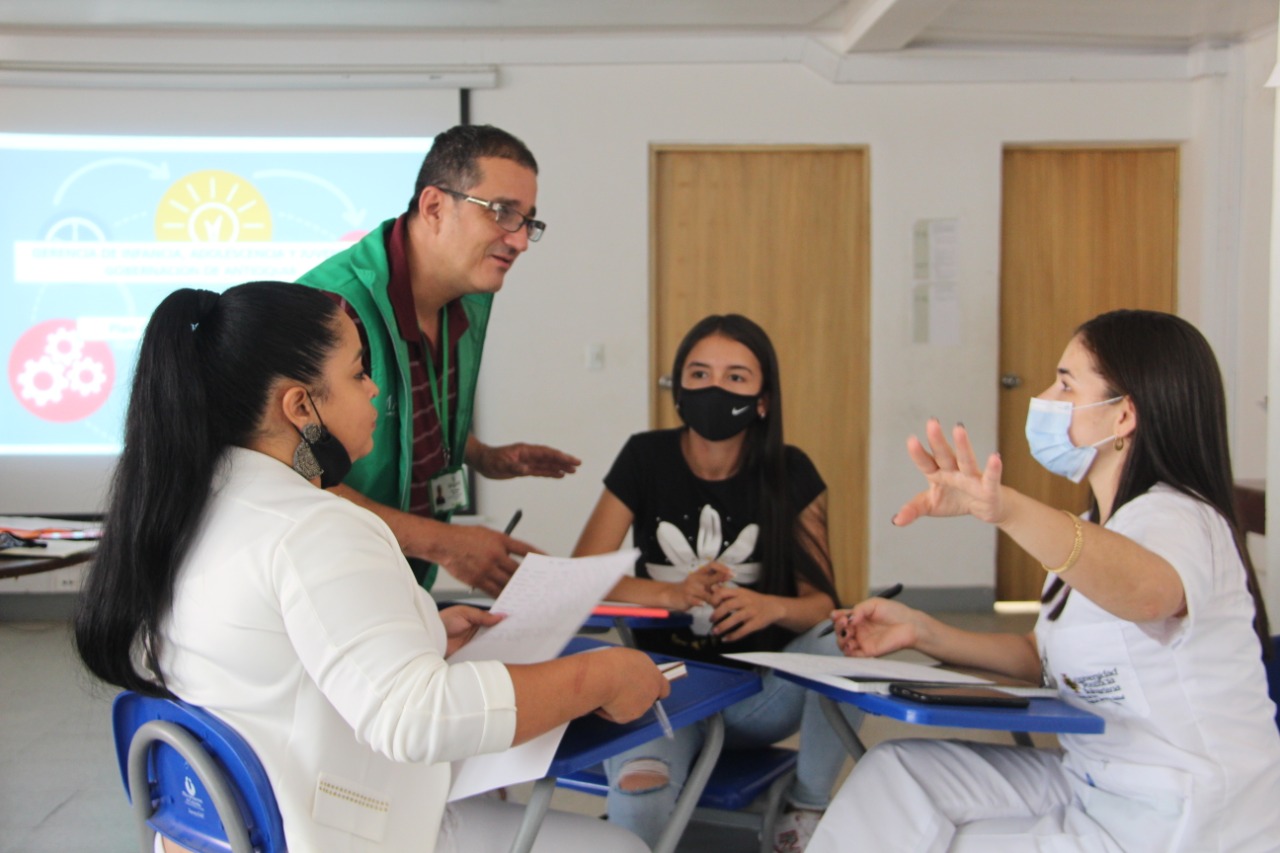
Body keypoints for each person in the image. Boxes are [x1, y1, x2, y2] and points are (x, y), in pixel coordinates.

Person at [74, 283, 668, 853]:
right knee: (621, 845)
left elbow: (280, 659)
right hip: (322, 832)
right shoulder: (315, 526)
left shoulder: (188, 506)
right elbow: (415, 718)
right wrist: (603, 676)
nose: (377, 391)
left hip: (223, 830)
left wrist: (424, 633)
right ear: (300, 405)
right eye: (358, 373)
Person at [813, 309, 1280, 852]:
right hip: (1090, 783)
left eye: (1065, 383)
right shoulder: (1090, 530)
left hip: (1180, 819)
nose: (1046, 397)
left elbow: (1151, 595)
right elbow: (1045, 658)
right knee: (897, 774)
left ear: (1123, 415)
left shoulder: (1182, 519)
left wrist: (1004, 509)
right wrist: (920, 633)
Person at [573, 314, 861, 853]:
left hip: (760, 696)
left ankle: (807, 809)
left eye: (736, 377)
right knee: (639, 794)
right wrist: (670, 593)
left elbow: (822, 604)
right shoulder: (644, 456)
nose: (715, 389)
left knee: (850, 638)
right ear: (678, 389)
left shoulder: (792, 471)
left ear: (763, 399)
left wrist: (770, 608)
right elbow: (584, 575)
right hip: (662, 692)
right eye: (699, 374)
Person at [298, 124, 580, 596]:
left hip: (401, 583)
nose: (520, 241)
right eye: (502, 213)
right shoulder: (332, 308)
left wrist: (481, 456)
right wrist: (446, 543)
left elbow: (404, 407)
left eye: (528, 220)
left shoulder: (462, 298)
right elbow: (296, 475)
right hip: (326, 586)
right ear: (433, 207)